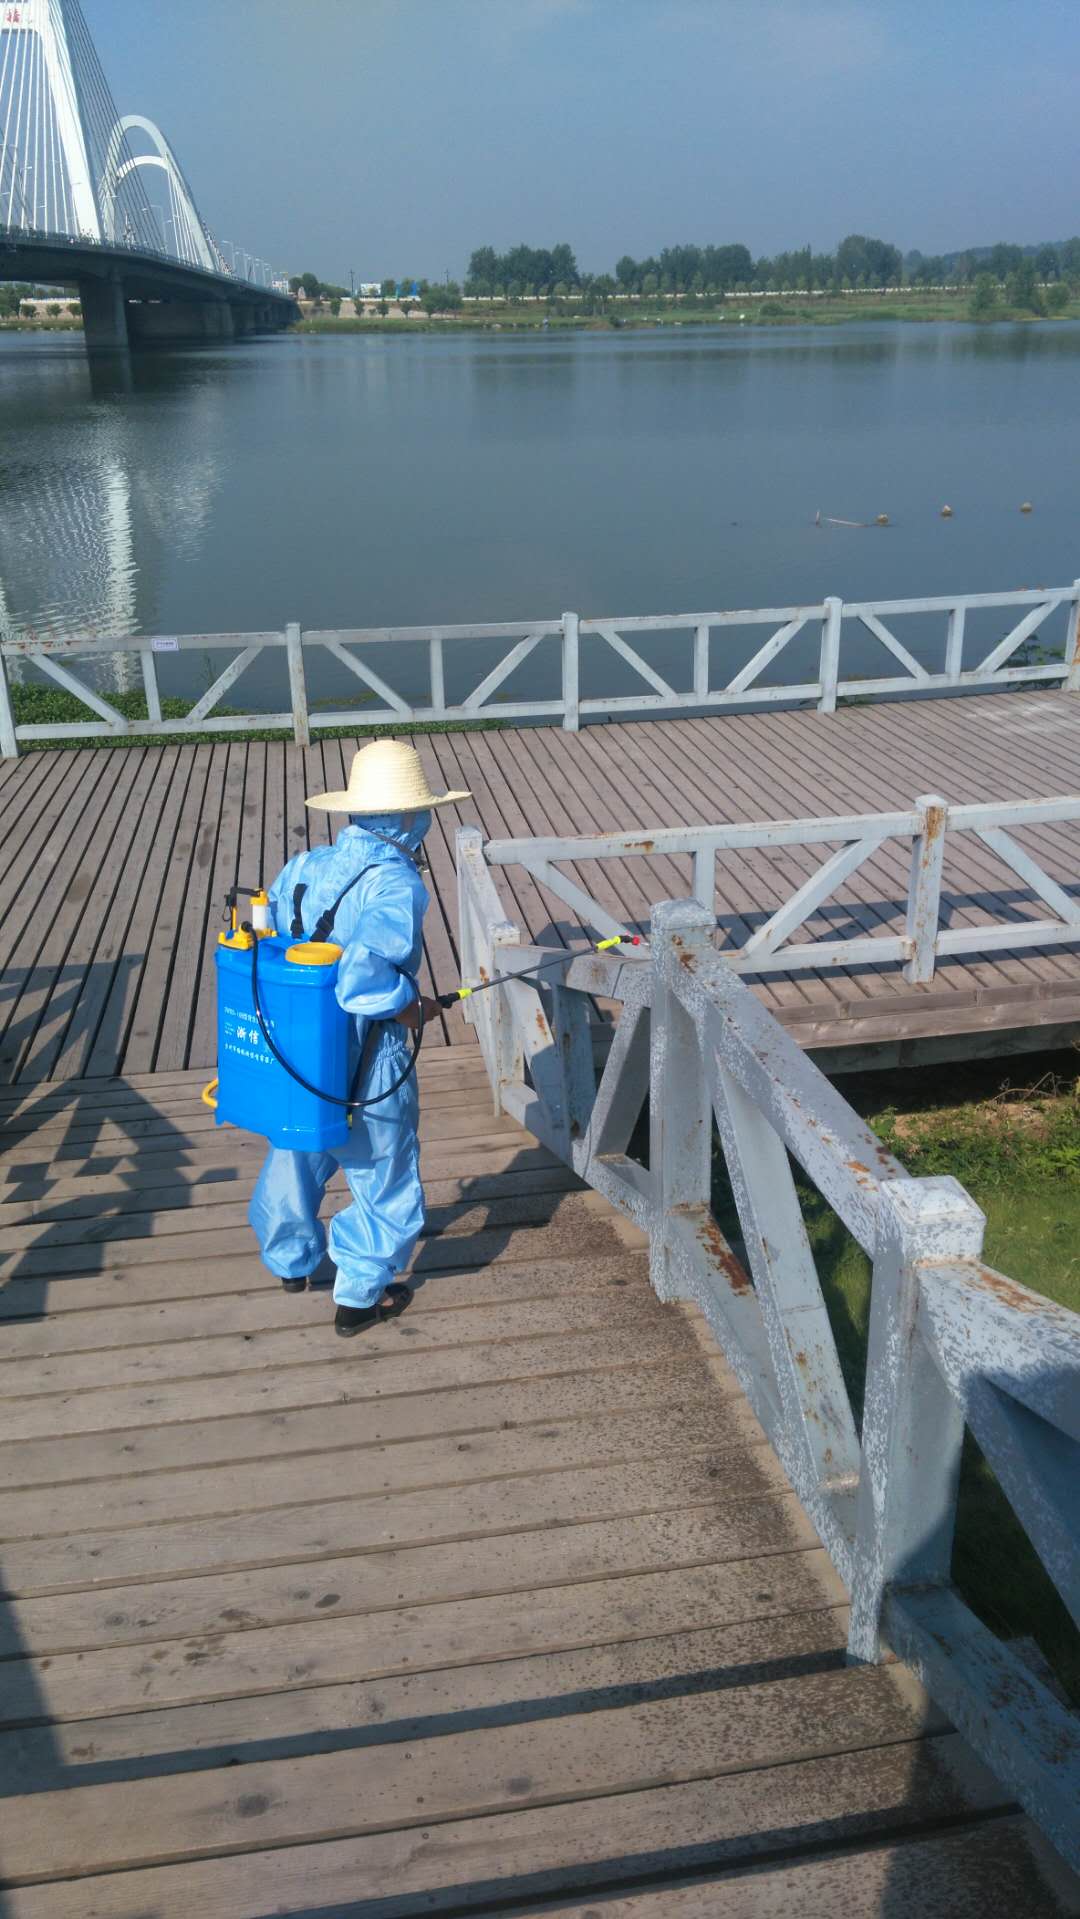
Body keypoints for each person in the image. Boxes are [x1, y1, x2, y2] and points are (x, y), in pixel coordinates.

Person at [248, 739, 470, 1337]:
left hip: (298, 1043)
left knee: (299, 1145)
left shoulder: (304, 866)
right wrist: (411, 1008)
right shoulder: (396, 882)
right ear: (410, 816)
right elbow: (363, 981)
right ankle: (359, 1296)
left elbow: (270, 941)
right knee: (382, 1168)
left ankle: (291, 1260)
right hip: (367, 1050)